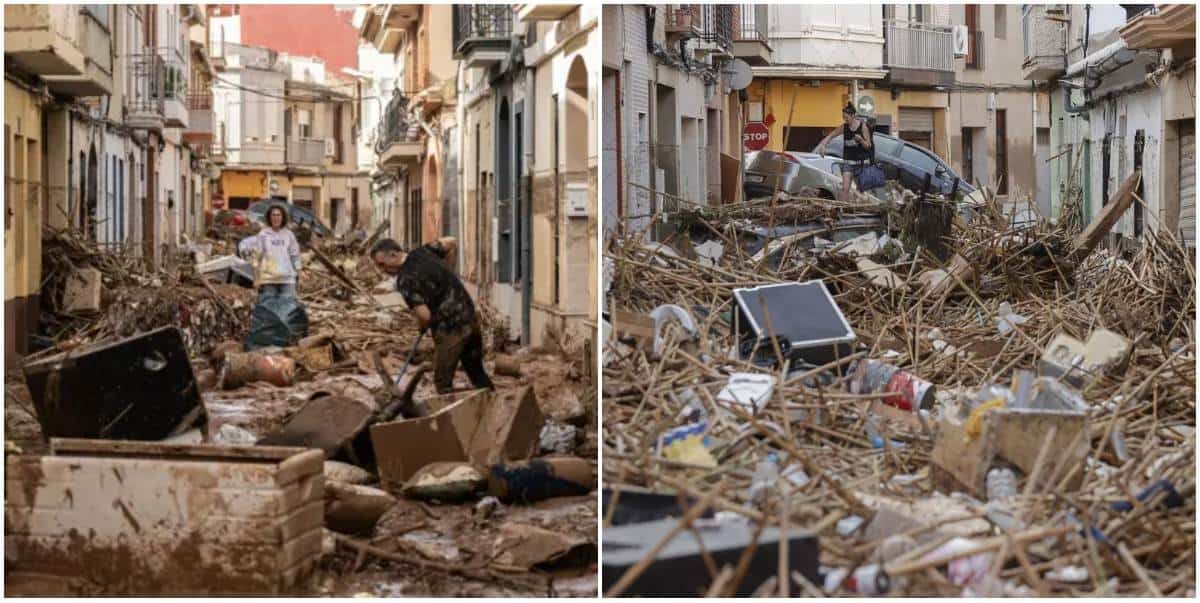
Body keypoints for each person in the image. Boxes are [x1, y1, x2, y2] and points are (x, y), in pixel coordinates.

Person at [370, 237, 494, 394]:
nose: (382, 269)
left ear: (394, 254)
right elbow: (452, 241)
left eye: (382, 264)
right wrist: (448, 272)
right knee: (477, 373)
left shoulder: (405, 280)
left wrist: (421, 326)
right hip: (470, 318)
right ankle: (496, 407)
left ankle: (455, 416)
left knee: (442, 384)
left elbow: (425, 316)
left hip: (450, 331)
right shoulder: (425, 251)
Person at [238, 204, 302, 301]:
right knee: (269, 309)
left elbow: (295, 256)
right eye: (273, 215)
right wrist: (256, 278)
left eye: (278, 215)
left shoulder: (288, 235)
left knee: (287, 308)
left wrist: (300, 275)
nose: (276, 218)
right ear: (269, 217)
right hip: (268, 280)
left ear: (283, 217)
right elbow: (257, 257)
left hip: (287, 279)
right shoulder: (263, 234)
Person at [817, 103, 874, 202]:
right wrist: (823, 145)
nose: (845, 119)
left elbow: (869, 145)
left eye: (846, 117)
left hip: (862, 164)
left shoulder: (863, 127)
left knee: (860, 190)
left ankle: (859, 210)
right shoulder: (844, 127)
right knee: (845, 188)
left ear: (853, 115)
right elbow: (831, 135)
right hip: (848, 163)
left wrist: (861, 140)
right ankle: (844, 210)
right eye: (843, 117)